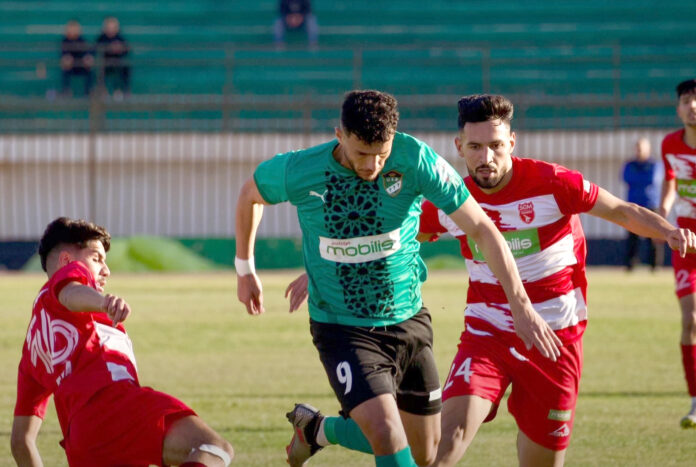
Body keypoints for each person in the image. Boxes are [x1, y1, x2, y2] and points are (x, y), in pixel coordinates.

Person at [235, 89, 561, 467]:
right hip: (343, 328)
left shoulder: (416, 159)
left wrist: (520, 307)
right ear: (339, 135)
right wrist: (245, 269)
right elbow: (250, 195)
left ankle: (317, 430)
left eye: (382, 154)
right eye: (362, 154)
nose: (373, 165)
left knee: (424, 452)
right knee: (388, 435)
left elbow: (483, 229)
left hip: (408, 321)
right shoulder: (301, 170)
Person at [415, 94, 696, 466]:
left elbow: (622, 212)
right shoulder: (452, 199)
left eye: (496, 146)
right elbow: (400, 235)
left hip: (556, 338)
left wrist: (668, 231)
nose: (487, 158)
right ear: (459, 147)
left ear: (511, 143)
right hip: (487, 335)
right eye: (475, 147)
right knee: (447, 443)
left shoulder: (553, 182)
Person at [11, 217, 234, 467]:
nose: (106, 270)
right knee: (213, 448)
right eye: (96, 258)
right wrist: (102, 302)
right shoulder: (74, 284)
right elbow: (69, 291)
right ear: (66, 261)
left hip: (83, 442)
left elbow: (21, 441)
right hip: (115, 406)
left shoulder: (31, 350)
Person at [659, 78, 696, 429]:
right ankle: (695, 401)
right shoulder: (670, 143)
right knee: (691, 319)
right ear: (678, 108)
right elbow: (671, 178)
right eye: (686, 100)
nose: (693, 106)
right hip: (686, 239)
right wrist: (664, 210)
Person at [622, 137, 663, 270]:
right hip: (633, 205)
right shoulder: (629, 165)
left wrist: (638, 178)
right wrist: (640, 178)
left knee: (653, 237)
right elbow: (626, 178)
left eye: (641, 148)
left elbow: (651, 179)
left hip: (651, 204)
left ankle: (655, 265)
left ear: (648, 149)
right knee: (632, 238)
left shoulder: (655, 165)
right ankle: (630, 265)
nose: (639, 151)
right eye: (637, 148)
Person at [96, 16, 131, 99]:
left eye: (113, 27)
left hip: (117, 63)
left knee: (125, 67)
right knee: (98, 68)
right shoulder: (102, 37)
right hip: (104, 64)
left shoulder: (120, 38)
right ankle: (102, 90)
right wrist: (108, 48)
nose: (111, 30)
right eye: (109, 27)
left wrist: (120, 49)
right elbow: (95, 48)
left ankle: (121, 90)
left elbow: (126, 49)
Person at [59, 20, 94, 97]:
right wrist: (66, 60)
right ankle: (66, 91)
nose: (73, 31)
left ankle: (88, 93)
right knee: (65, 69)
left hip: (81, 66)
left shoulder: (83, 41)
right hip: (70, 67)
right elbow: (64, 56)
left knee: (90, 70)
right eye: (71, 29)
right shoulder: (64, 41)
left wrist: (87, 59)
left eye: (75, 29)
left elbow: (88, 54)